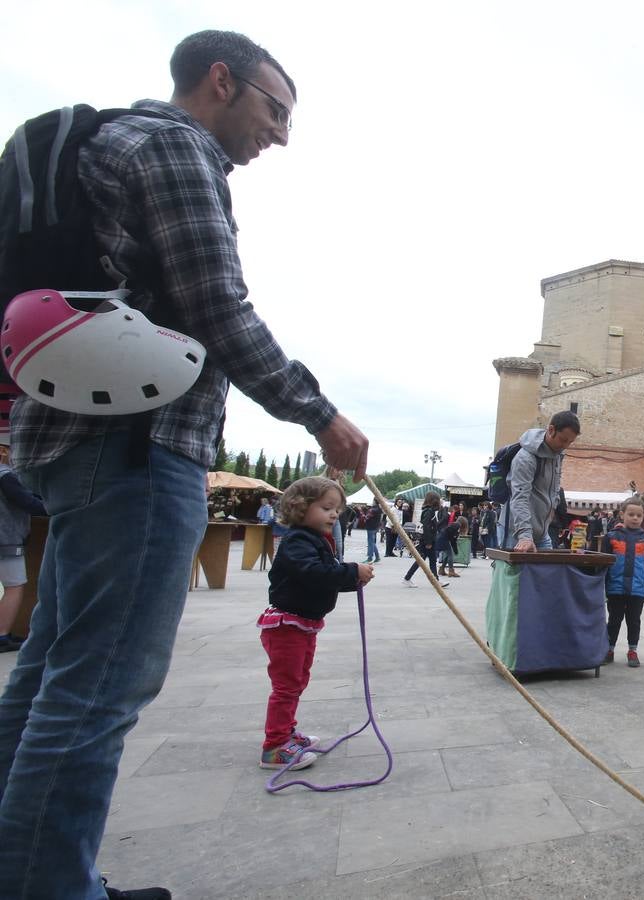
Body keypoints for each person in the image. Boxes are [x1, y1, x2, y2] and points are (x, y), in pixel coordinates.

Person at [0, 30, 369, 900]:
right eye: (274, 110)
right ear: (219, 81)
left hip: (70, 445)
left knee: (52, 671)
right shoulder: (173, 146)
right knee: (98, 689)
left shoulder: (109, 139)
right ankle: (50, 887)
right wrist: (319, 414)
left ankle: (27, 870)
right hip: (138, 448)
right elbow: (218, 306)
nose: (280, 135)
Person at [257, 477, 372, 771]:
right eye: (326, 508)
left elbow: (326, 576)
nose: (334, 514)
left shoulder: (316, 539)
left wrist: (353, 578)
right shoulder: (298, 540)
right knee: (287, 685)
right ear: (300, 508)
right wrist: (350, 571)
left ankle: (287, 731)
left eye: (337, 509)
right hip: (287, 626)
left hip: (304, 623)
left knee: (297, 682)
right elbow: (315, 572)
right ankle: (274, 746)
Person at [505, 411, 581, 551]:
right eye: (563, 440)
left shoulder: (557, 455)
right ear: (551, 430)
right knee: (515, 573)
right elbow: (520, 498)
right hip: (517, 533)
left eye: (570, 442)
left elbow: (555, 487)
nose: (566, 446)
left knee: (546, 572)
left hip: (542, 533)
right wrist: (525, 536)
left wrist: (554, 506)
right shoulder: (525, 458)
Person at [602, 497, 644, 667]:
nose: (635, 518)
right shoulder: (611, 537)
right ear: (622, 515)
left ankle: (632, 650)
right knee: (614, 620)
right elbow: (603, 564)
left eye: (638, 515)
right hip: (615, 588)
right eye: (631, 514)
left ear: (643, 517)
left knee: (634, 621)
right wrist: (599, 584)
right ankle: (609, 649)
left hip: (638, 589)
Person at [0, 441, 47, 653]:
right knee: (14, 586)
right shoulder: (5, 476)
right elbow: (27, 502)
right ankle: (2, 635)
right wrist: (58, 508)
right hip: (6, 540)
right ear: (4, 451)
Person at [404, 493, 446, 585]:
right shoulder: (429, 511)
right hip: (428, 540)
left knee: (424, 560)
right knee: (428, 560)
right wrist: (428, 542)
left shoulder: (428, 510)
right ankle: (435, 580)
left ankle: (408, 578)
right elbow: (426, 527)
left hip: (428, 539)